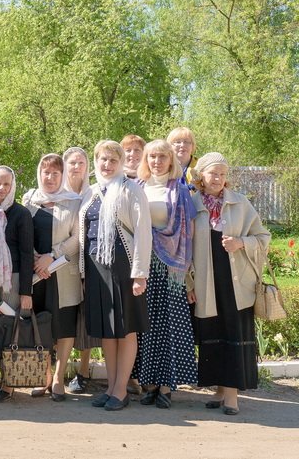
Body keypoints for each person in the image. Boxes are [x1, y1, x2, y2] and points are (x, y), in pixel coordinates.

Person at [191, 152, 269, 416]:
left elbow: (262, 236)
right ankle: (220, 390)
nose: (219, 179)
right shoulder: (192, 205)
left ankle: (232, 397)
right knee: (213, 332)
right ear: (201, 175)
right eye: (214, 173)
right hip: (207, 283)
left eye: (223, 174)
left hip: (236, 284)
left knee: (233, 331)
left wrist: (241, 244)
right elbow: (184, 248)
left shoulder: (240, 203)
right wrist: (190, 283)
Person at [79, 141, 152, 411]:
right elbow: (83, 232)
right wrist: (84, 273)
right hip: (97, 267)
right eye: (102, 159)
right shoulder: (91, 192)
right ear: (96, 161)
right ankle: (111, 387)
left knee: (126, 329)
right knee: (108, 332)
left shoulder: (130, 189)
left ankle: (121, 390)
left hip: (124, 266)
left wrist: (140, 274)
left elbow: (144, 232)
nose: (107, 164)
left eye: (112, 160)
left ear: (120, 163)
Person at [134, 139, 198, 409]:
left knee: (169, 326)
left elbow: (189, 231)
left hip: (171, 267)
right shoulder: (137, 188)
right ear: (145, 161)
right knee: (144, 327)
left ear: (171, 160)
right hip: (142, 266)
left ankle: (167, 385)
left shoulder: (180, 190)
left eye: (162, 157)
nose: (157, 162)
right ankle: (147, 383)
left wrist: (186, 269)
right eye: (152, 157)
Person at [20, 156, 81, 401]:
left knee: (64, 325)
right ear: (39, 173)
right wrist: (37, 259)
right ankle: (44, 376)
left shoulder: (74, 201)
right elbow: (22, 232)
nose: (50, 177)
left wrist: (51, 256)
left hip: (63, 272)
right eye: (46, 172)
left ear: (62, 175)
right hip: (37, 274)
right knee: (41, 325)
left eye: (56, 173)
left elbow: (78, 238)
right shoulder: (29, 200)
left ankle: (58, 378)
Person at [0, 166, 34, 401]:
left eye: (6, 184)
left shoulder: (21, 214)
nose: (1, 188)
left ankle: (9, 383)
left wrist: (26, 291)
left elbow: (26, 254)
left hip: (12, 280)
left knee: (11, 329)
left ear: (13, 185)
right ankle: (3, 378)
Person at [62, 146, 101, 394]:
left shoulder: (94, 194)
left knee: (86, 318)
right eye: (72, 163)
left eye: (81, 163)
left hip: (87, 264)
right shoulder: (58, 193)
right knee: (64, 320)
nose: (77, 167)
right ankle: (57, 372)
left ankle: (84, 370)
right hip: (60, 265)